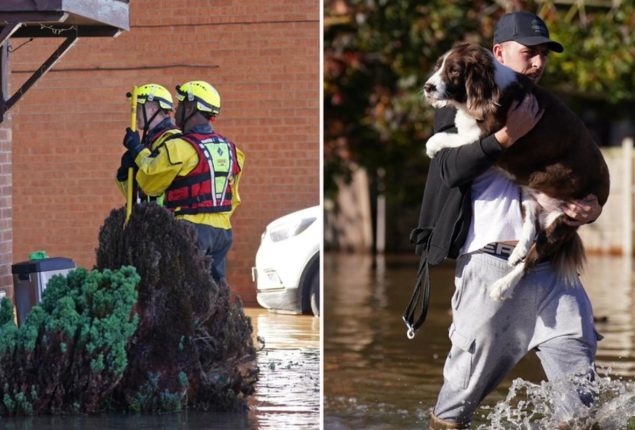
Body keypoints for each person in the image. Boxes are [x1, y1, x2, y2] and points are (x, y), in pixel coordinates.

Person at [411, 12, 603, 429]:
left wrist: (590, 208)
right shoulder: (458, 101)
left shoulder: (544, 111)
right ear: (499, 54)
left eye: (543, 57)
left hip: (552, 268)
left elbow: (573, 175)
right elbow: (448, 171)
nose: (537, 64)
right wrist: (504, 136)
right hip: (488, 267)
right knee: (453, 411)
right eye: (528, 53)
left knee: (581, 405)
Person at [123, 80, 244, 284]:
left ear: (190, 108)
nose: (175, 110)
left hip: (191, 230)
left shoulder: (180, 148)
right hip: (222, 232)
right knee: (213, 292)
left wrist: (136, 150)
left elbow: (150, 181)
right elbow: (233, 197)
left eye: (180, 105)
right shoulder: (232, 150)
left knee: (183, 293)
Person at [116, 83, 182, 203]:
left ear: (152, 110)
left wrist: (137, 150)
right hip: (147, 216)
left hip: (164, 217)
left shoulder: (172, 139)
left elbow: (154, 175)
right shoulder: (150, 141)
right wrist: (124, 176)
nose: (136, 116)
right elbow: (136, 195)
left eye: (139, 109)